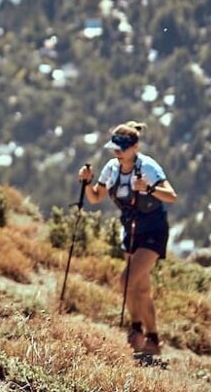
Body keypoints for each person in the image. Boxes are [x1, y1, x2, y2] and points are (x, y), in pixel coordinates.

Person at [77, 121, 177, 356]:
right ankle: (153, 340)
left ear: (135, 147)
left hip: (153, 232)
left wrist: (149, 189)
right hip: (131, 232)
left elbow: (171, 196)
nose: (117, 153)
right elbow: (95, 197)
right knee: (141, 288)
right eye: (115, 148)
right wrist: (87, 182)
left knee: (126, 281)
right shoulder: (112, 169)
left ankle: (135, 329)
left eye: (122, 149)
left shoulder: (148, 167)